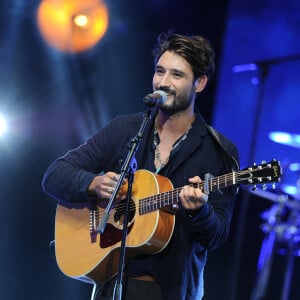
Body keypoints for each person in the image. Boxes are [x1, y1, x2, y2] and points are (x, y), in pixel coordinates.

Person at [42, 32, 240, 300]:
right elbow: (54, 175)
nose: (164, 82)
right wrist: (91, 184)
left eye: (177, 75)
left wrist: (199, 212)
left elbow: (217, 236)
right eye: (160, 71)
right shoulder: (125, 130)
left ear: (200, 83)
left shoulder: (219, 152)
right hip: (111, 285)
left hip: (170, 290)